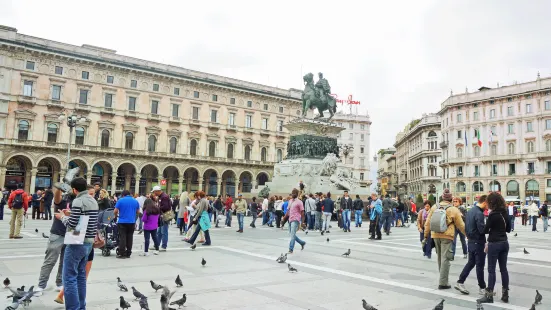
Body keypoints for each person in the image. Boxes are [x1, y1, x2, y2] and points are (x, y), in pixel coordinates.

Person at [56, 177, 98, 310]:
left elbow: (72, 225)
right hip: (88, 243)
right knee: (80, 277)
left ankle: (73, 308)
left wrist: (62, 217)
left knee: (69, 278)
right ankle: (81, 307)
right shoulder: (93, 200)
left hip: (76, 242)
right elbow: (85, 218)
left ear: (74, 189)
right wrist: (72, 214)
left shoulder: (78, 201)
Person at [423, 188, 465, 290]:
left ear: (442, 197)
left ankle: (442, 278)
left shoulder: (434, 207)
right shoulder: (454, 209)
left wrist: (425, 235)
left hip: (435, 235)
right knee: (446, 258)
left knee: (440, 258)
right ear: (450, 199)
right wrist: (468, 234)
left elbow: (427, 223)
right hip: (447, 235)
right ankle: (443, 282)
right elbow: (461, 225)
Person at [35, 187, 71, 296]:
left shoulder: (77, 202)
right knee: (50, 261)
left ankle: (59, 283)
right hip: (57, 234)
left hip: (71, 235)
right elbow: (57, 198)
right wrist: (59, 188)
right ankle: (41, 285)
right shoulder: (63, 200)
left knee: (64, 262)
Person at [477, 192, 511, 304]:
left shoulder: (493, 215)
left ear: (491, 202)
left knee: (491, 270)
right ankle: (505, 294)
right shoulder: (505, 213)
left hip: (494, 244)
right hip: (504, 243)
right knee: (503, 269)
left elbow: (485, 230)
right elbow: (508, 229)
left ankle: (489, 296)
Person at [455, 195, 488, 296]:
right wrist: (489, 227)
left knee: (471, 263)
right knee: (480, 265)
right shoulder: (479, 213)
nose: (488, 206)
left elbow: (466, 226)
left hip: (471, 241)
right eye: (488, 204)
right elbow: (482, 230)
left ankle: (460, 281)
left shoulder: (470, 211)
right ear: (485, 202)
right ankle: (482, 288)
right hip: (478, 242)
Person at [114, 190, 140, 259]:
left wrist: (116, 216)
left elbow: (115, 211)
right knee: (130, 237)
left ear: (123, 195)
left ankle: (122, 253)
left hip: (122, 221)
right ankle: (128, 253)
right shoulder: (135, 201)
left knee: (123, 237)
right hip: (131, 222)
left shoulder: (120, 200)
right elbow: (138, 211)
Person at [285, 188, 306, 254]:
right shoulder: (290, 201)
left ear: (297, 194)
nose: (292, 194)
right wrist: (283, 219)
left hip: (296, 219)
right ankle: (302, 243)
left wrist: (302, 222)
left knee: (292, 234)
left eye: (294, 193)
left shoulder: (299, 202)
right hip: (290, 219)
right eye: (292, 193)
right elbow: (288, 211)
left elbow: (302, 212)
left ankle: (291, 249)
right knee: (292, 234)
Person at [152, 185, 172, 251]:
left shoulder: (164, 197)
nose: (154, 193)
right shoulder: (161, 196)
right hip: (161, 216)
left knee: (164, 231)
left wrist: (157, 208)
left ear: (157, 191)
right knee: (159, 231)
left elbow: (165, 207)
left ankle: (164, 246)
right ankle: (156, 245)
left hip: (165, 216)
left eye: (154, 192)